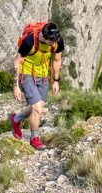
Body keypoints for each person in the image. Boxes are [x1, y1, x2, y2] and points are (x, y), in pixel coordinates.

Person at [9, 22, 64, 150]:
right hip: (27, 74)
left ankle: (16, 119)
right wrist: (16, 86)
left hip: (43, 74)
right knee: (37, 109)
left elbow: (57, 60)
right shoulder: (29, 42)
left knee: (39, 104)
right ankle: (34, 138)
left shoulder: (57, 40)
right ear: (44, 37)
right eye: (51, 41)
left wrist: (56, 80)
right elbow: (17, 62)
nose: (53, 44)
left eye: (55, 41)